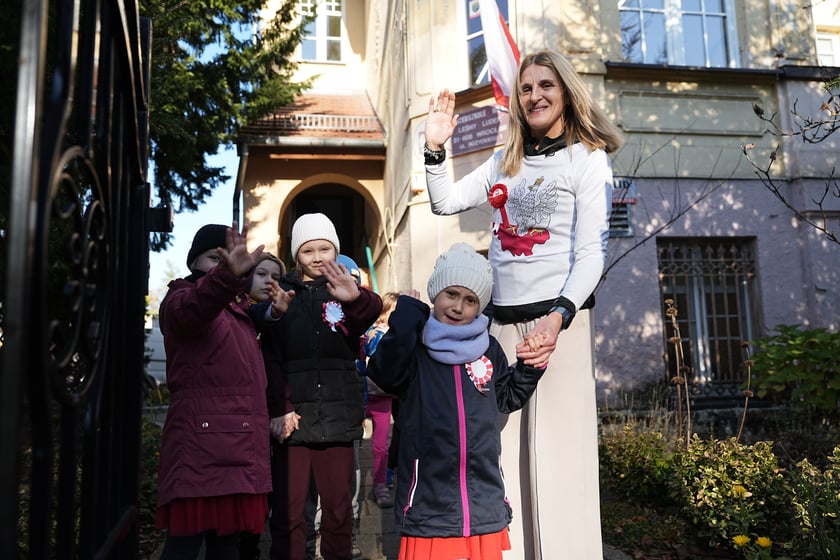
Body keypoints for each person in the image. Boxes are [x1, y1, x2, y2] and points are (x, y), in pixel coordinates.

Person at [423, 49, 624, 559]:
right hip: (499, 330)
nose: (534, 95)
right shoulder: (503, 161)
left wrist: (558, 319)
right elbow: (444, 201)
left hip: (560, 324)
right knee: (502, 452)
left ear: (566, 93)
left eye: (545, 86)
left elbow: (591, 254)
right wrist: (434, 148)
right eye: (526, 88)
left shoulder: (588, 158)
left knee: (559, 453)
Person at [364, 243, 546, 560]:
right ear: (436, 293)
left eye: (470, 300)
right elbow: (385, 373)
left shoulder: (489, 349)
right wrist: (406, 317)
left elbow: (505, 398)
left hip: (483, 502)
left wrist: (529, 368)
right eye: (451, 294)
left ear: (480, 306)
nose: (458, 307)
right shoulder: (415, 348)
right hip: (428, 504)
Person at [155, 223, 286, 560]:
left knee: (227, 546)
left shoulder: (237, 311)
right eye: (216, 257)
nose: (224, 264)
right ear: (194, 261)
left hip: (236, 447)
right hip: (202, 448)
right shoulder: (182, 296)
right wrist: (227, 276)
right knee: (183, 545)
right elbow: (195, 309)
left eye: (227, 259)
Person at [262, 213, 383, 560]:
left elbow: (370, 313)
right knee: (288, 513)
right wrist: (280, 407)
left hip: (337, 419)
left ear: (336, 250)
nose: (317, 257)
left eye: (325, 249)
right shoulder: (282, 292)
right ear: (295, 255)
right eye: (308, 251)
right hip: (293, 422)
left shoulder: (345, 292)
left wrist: (354, 296)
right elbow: (270, 356)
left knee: (338, 512)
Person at [240, 251, 287, 560]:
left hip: (273, 422)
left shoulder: (281, 315)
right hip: (241, 426)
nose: (269, 280)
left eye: (276, 276)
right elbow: (258, 315)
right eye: (261, 273)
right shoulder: (240, 312)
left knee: (270, 500)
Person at [359, 291, 399, 508]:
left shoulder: (396, 335)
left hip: (383, 397)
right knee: (356, 444)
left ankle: (380, 483)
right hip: (363, 395)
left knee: (381, 445)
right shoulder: (371, 333)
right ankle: (352, 486)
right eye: (396, 312)